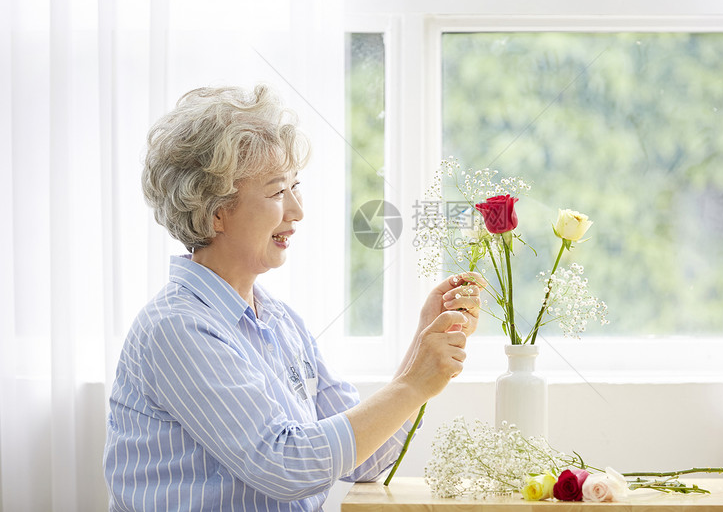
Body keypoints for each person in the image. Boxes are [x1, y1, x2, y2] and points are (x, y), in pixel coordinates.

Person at [103, 85, 484, 511]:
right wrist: (415, 384)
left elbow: (369, 459)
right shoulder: (176, 328)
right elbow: (285, 465)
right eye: (276, 191)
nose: (297, 210)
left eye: (295, 186)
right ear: (215, 211)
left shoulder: (280, 322)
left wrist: (423, 343)